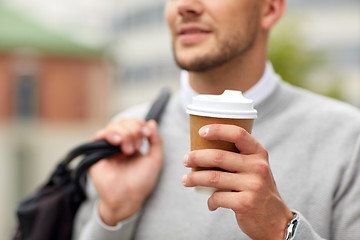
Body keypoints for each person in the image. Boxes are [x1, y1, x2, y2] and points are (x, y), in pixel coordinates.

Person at [73, 0, 360, 239]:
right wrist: (112, 215)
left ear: (270, 9)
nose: (185, 6)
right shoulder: (125, 137)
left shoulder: (348, 138)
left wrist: (281, 229)